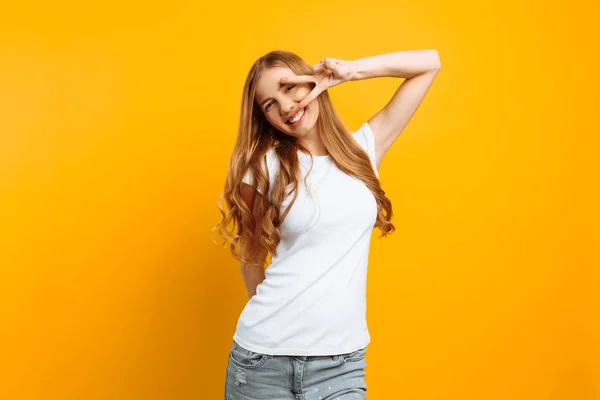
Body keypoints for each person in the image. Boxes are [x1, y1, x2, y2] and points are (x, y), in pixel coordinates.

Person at [213, 49, 440, 399]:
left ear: (311, 80)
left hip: (341, 364)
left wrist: (349, 72)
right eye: (269, 104)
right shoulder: (262, 169)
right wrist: (284, 326)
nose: (285, 106)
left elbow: (429, 64)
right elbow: (252, 258)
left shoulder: (363, 148)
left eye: (290, 87)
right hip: (263, 363)